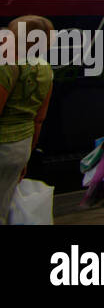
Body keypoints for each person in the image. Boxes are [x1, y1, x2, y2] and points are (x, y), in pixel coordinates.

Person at [0, 16, 54, 224]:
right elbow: (39, 118)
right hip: (20, 147)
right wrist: (27, 156)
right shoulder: (45, 69)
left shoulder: (7, 66)